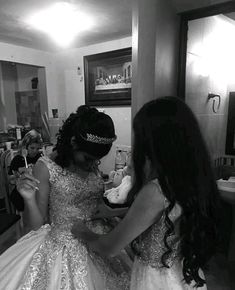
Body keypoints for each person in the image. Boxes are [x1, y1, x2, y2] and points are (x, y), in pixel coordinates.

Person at [72, 96, 220, 289]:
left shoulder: (156, 191)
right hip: (182, 274)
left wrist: (83, 232)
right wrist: (113, 213)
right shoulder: (191, 180)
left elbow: (110, 247)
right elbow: (160, 217)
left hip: (155, 280)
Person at [0, 105, 130, 289]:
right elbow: (36, 224)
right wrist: (28, 199)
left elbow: (98, 208)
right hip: (63, 244)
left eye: (96, 160)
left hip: (97, 237)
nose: (93, 163)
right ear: (73, 142)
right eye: (88, 158)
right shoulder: (45, 167)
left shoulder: (90, 163)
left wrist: (130, 212)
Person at [8, 129, 43, 211]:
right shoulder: (18, 159)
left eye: (38, 148)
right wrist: (19, 175)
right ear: (25, 146)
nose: (35, 151)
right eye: (32, 148)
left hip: (37, 189)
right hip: (21, 193)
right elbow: (10, 180)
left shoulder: (40, 157)